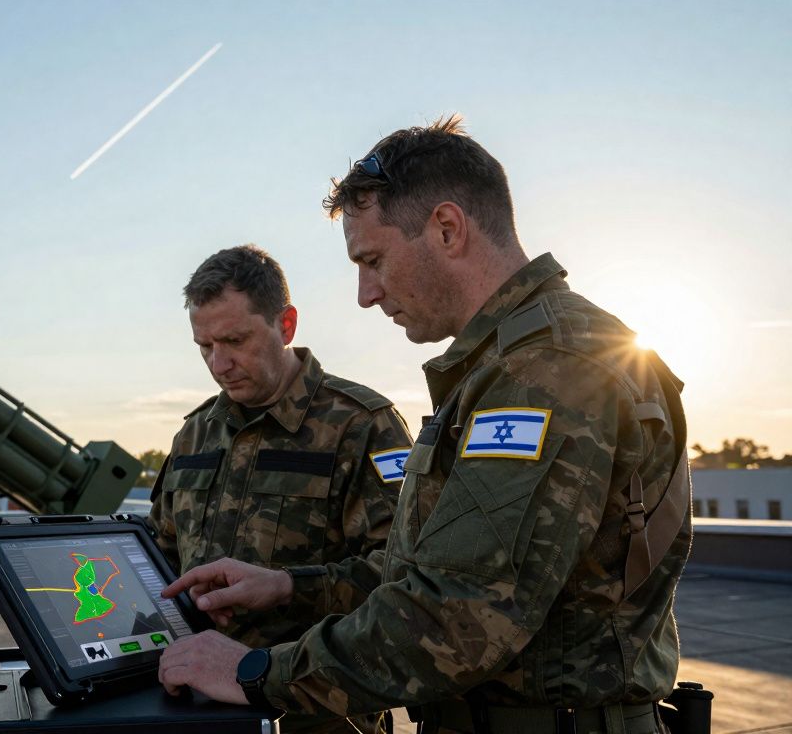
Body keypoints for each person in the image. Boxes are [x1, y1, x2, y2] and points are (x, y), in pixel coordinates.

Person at [157, 118, 692, 734]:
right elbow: (431, 572)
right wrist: (287, 588)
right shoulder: (514, 362)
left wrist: (255, 672)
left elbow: (458, 618)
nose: (365, 293)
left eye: (373, 260)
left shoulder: (545, 371)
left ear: (446, 229)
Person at [149, 244, 413, 733]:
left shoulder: (362, 425)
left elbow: (405, 582)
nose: (219, 363)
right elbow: (160, 556)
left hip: (317, 716)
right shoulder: (194, 433)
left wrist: (289, 588)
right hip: (194, 711)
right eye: (204, 346)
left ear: (285, 325)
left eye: (235, 340)